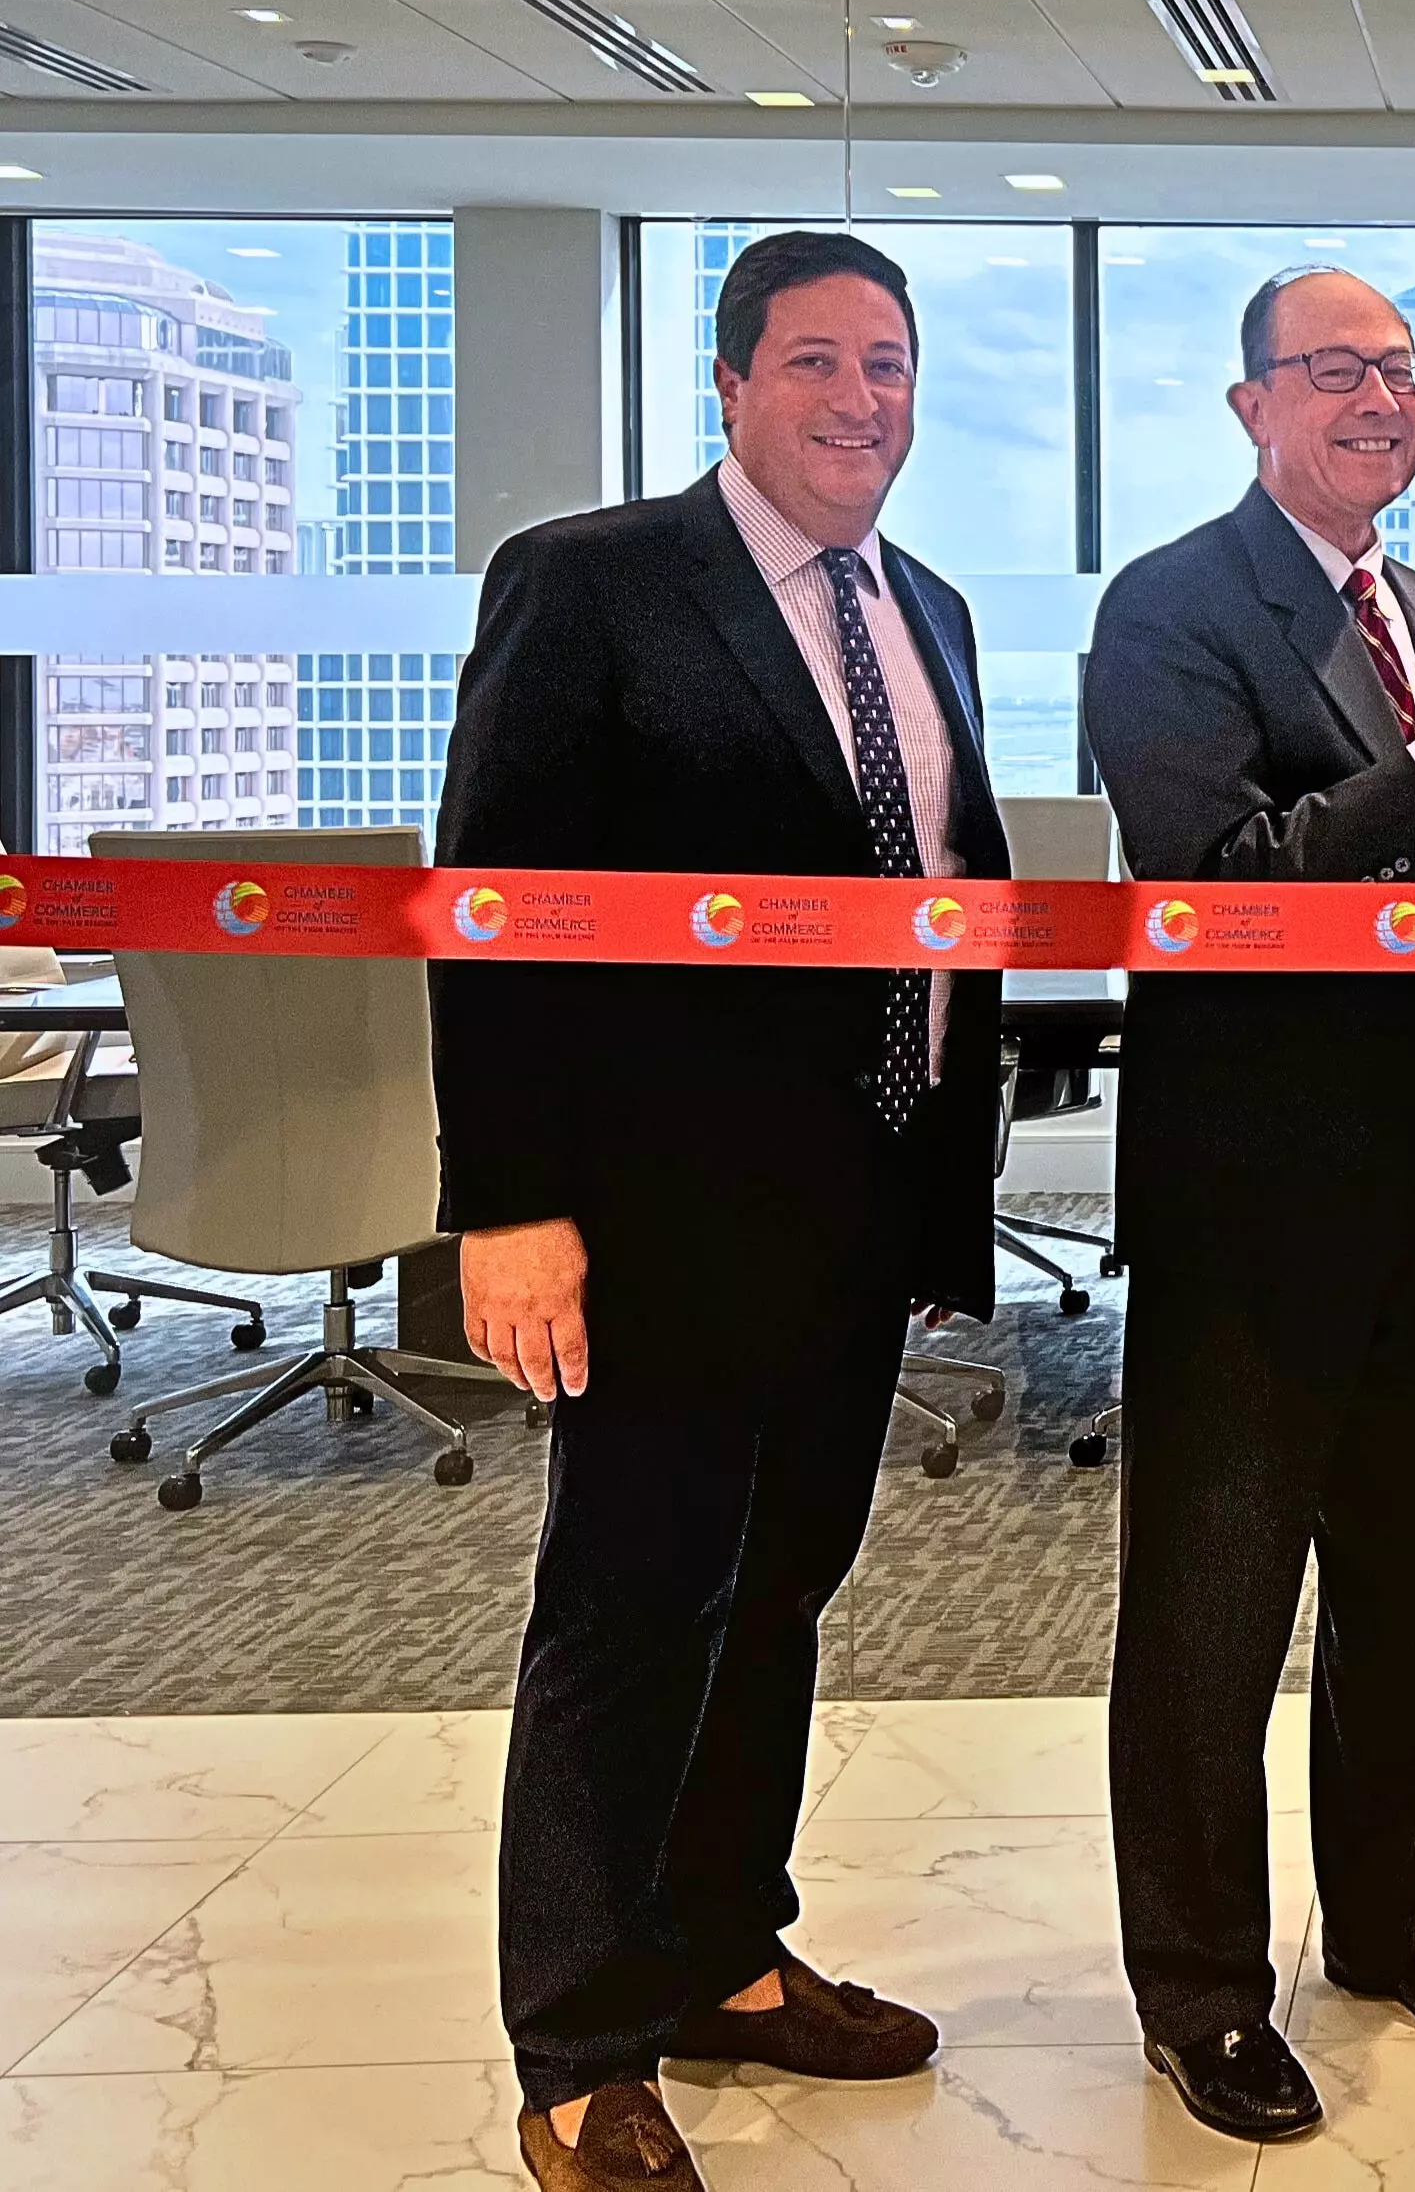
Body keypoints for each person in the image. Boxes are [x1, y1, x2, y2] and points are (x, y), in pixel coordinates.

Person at [434, 231, 1009, 2192]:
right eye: (821, 363)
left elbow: (948, 908)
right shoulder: (592, 585)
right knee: (630, 1608)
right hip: (657, 1212)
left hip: (859, 1202)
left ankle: (724, 1955)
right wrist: (507, 1201)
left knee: (781, 1591)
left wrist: (948, 1195)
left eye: (892, 366)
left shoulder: (923, 607)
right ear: (732, 381)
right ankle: (580, 2047)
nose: (865, 401)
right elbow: (495, 904)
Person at [1081, 265, 1415, 2145]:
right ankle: (1199, 1985)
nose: (1380, 398)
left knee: (1412, 1586)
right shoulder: (1175, 607)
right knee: (1211, 1605)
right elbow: (1214, 880)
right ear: (1249, 400)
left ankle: (1390, 1917)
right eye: (1337, 370)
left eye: (1403, 372)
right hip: (1257, 1199)